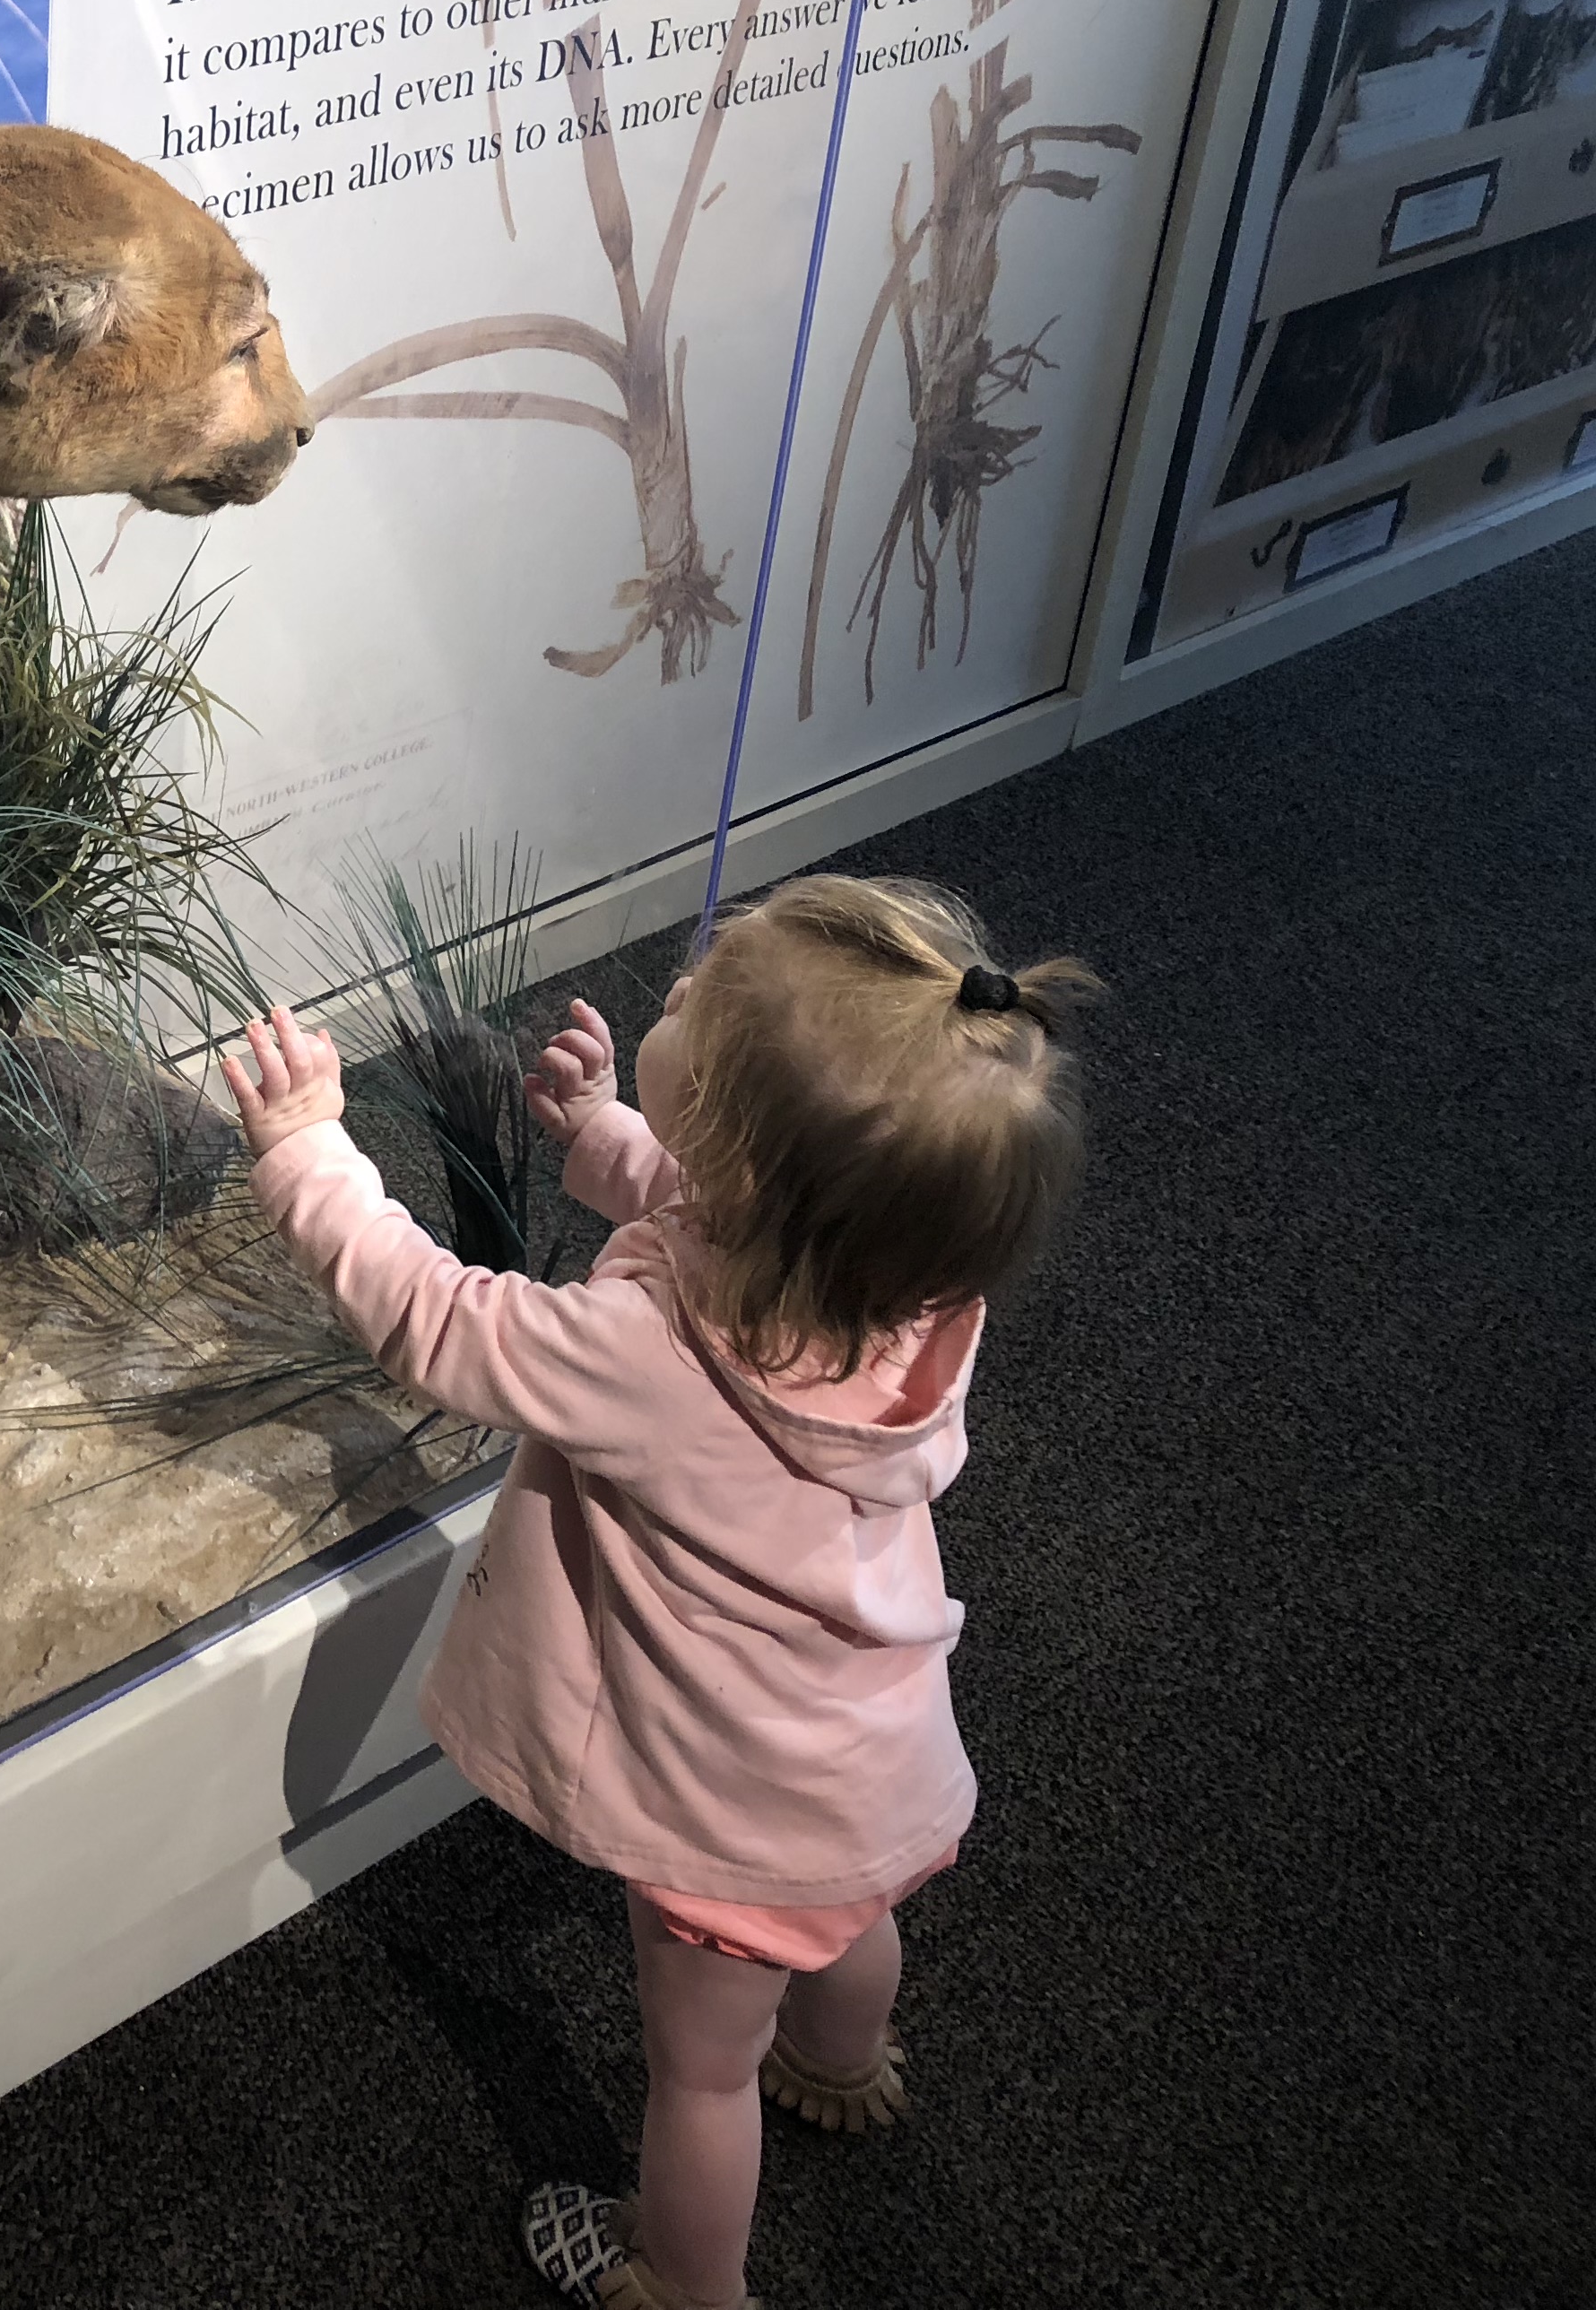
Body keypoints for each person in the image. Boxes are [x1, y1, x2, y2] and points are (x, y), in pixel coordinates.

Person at [220, 876, 1099, 2310]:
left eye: (701, 1003)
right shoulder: (921, 1303)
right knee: (852, 1919)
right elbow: (754, 1229)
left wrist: (311, 1156)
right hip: (873, 1762)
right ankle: (846, 2063)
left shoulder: (646, 1355)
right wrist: (619, 1137)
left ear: (739, 1157)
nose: (677, 992)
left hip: (729, 1809)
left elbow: (441, 1319)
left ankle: (685, 2282)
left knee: (701, 2069)